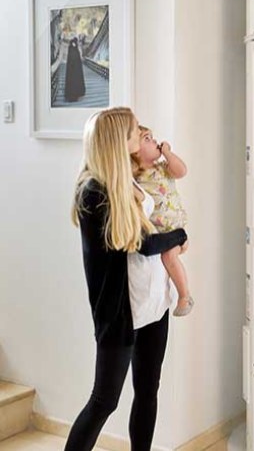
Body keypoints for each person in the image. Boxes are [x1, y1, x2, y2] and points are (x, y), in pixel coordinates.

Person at [65, 107, 188, 451]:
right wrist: (179, 236)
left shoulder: (127, 177)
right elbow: (141, 242)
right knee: (104, 400)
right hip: (122, 311)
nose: (141, 135)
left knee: (148, 390)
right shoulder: (94, 191)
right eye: (135, 131)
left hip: (152, 300)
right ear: (119, 140)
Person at [131, 125, 193, 317]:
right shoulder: (135, 176)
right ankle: (180, 295)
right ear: (135, 151)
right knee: (166, 260)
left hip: (174, 228)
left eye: (153, 137)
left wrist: (168, 153)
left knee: (169, 257)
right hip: (158, 232)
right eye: (147, 139)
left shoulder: (163, 168)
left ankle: (185, 296)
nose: (154, 141)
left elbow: (182, 171)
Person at [64, 36, 86, 102]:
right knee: (76, 81)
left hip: (71, 71)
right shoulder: (76, 50)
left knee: (71, 81)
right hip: (76, 71)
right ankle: (77, 94)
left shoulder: (70, 49)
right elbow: (80, 60)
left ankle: (71, 95)